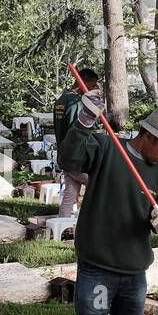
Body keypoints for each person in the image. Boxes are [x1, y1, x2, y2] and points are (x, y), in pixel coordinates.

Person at [59, 95, 158, 315]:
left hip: (134, 273)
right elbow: (69, 160)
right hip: (98, 270)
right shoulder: (107, 148)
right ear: (148, 136)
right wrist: (84, 121)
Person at [54, 67, 100, 216]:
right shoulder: (76, 102)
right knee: (100, 185)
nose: (94, 89)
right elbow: (78, 130)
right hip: (77, 156)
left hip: (64, 155)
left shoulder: (61, 100)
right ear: (83, 82)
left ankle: (63, 224)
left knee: (70, 193)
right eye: (92, 85)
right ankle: (93, 219)